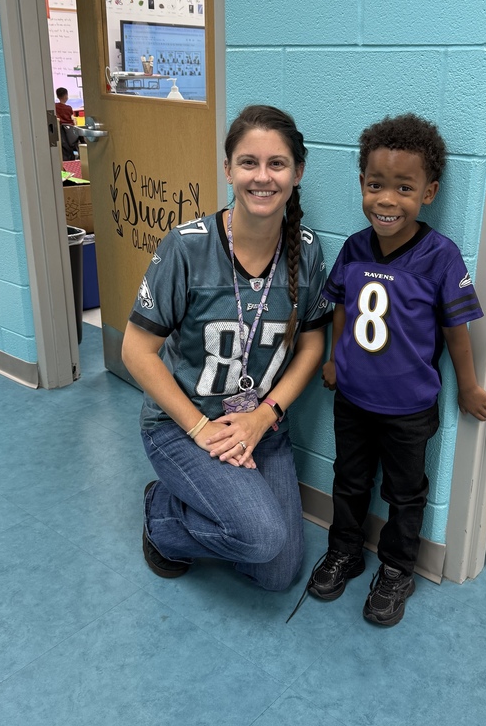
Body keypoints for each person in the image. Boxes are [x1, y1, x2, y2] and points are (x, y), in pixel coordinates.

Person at [121, 105, 332, 592]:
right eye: (248, 162)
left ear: (298, 172)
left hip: (260, 426)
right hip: (182, 424)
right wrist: (198, 429)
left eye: (277, 164)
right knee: (260, 539)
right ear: (228, 169)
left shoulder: (308, 249)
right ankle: (163, 517)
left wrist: (264, 416)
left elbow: (312, 344)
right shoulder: (186, 248)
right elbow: (137, 350)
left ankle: (204, 503)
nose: (263, 177)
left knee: (277, 573)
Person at [306, 112, 486, 626]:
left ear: (428, 192)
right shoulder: (354, 246)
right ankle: (344, 551)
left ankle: (397, 568)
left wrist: (469, 386)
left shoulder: (440, 257)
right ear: (362, 185)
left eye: (404, 188)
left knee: (406, 493)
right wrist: (334, 357)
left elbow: (457, 330)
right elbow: (342, 304)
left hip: (409, 408)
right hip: (353, 400)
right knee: (349, 481)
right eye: (375, 185)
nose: (387, 199)